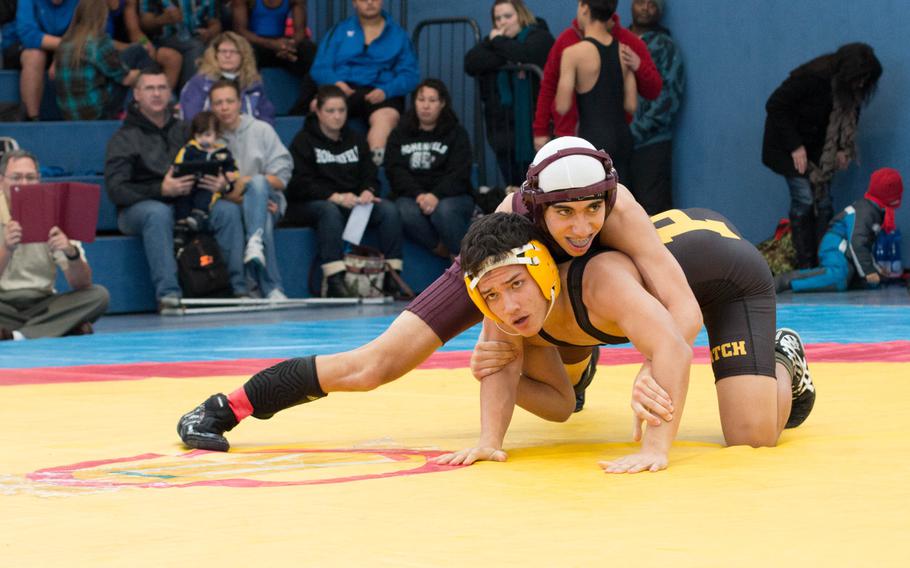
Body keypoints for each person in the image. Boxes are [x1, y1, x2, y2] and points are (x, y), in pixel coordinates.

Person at [176, 135, 702, 452]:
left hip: (568, 291)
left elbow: (683, 308)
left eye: (593, 210)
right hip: (498, 265)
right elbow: (499, 348)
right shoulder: (512, 222)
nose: (584, 226)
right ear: (537, 204)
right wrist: (488, 443)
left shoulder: (621, 211)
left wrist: (654, 370)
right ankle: (231, 404)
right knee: (375, 364)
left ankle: (573, 362)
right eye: (565, 212)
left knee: (585, 310)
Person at [438, 209, 815, 472]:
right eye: (491, 296)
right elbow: (560, 405)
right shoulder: (503, 309)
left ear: (542, 269)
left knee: (753, 437)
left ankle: (782, 355)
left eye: (516, 285)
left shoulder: (600, 282)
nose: (508, 305)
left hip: (724, 274)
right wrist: (490, 437)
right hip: (661, 291)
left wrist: (654, 447)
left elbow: (673, 348)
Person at [104, 65, 247, 309]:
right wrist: (161, 190)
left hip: (189, 203)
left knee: (227, 211)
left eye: (162, 88)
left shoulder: (186, 129)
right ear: (137, 94)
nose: (157, 94)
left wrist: (221, 184)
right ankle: (168, 295)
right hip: (138, 209)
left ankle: (239, 290)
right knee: (158, 213)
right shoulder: (123, 138)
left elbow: (214, 160)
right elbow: (117, 190)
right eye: (150, 88)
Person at [762, 42, 882, 269]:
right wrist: (795, 145)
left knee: (824, 203)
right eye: (859, 78)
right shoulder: (812, 78)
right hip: (788, 148)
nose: (862, 84)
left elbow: (849, 116)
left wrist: (842, 150)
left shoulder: (848, 92)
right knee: (804, 200)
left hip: (818, 151)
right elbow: (776, 105)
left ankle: (823, 260)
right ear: (847, 72)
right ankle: (805, 263)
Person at [284, 85, 403, 298]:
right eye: (330, 111)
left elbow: (370, 172)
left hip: (353, 202)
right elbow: (299, 184)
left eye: (341, 111)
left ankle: (391, 276)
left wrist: (368, 190)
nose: (337, 116)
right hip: (312, 203)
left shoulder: (356, 138)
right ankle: (334, 279)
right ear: (318, 112)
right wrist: (334, 196)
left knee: (388, 210)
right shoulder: (303, 141)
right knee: (328, 211)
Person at [0, 149, 110, 339]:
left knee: (98, 295)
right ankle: (60, 327)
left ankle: (18, 335)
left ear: (39, 180)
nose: (24, 184)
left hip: (43, 302)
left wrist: (70, 252)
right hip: (3, 305)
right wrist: (6, 249)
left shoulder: (54, 212)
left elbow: (81, 284)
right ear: (1, 181)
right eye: (16, 178)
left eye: (30, 178)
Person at [532, 2, 662, 152]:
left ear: (585, 8)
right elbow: (548, 86)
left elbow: (654, 90)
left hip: (588, 137)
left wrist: (639, 66)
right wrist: (540, 130)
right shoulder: (622, 47)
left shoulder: (627, 41)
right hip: (610, 137)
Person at [309, 0, 418, 166]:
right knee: (316, 105)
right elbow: (319, 68)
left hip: (381, 93)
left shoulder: (398, 35)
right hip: (343, 90)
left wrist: (387, 91)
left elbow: (410, 75)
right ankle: (325, 164)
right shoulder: (339, 31)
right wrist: (336, 83)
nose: (369, 2)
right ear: (354, 3)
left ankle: (371, 167)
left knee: (386, 118)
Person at [210, 79, 291, 300]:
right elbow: (212, 185)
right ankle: (271, 288)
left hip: (268, 197)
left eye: (229, 101)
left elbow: (282, 177)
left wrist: (252, 186)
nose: (224, 107)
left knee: (257, 183)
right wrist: (250, 200)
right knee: (258, 214)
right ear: (211, 106)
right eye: (218, 103)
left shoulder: (261, 130)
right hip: (232, 201)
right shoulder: (209, 138)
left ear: (239, 103)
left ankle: (246, 286)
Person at [464, 0, 554, 188]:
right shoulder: (493, 43)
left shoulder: (539, 35)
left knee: (541, 188)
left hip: (533, 130)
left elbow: (528, 54)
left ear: (521, 15)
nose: (502, 22)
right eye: (497, 18)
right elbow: (471, 62)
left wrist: (498, 42)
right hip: (501, 130)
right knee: (513, 188)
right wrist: (506, 50)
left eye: (508, 16)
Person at [386, 78, 475, 259]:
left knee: (444, 211)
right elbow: (395, 170)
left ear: (442, 103)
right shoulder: (400, 133)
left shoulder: (456, 133)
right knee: (403, 210)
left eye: (432, 100)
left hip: (452, 196)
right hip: (412, 197)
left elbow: (460, 172)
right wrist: (419, 194)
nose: (425, 106)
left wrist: (436, 195)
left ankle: (468, 260)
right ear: (414, 102)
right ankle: (443, 251)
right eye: (421, 100)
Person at [776, 167, 903, 293]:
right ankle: (787, 280)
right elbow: (857, 243)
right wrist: (868, 271)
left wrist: (876, 269)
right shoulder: (866, 211)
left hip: (847, 252)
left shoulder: (874, 211)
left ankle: (851, 278)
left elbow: (865, 246)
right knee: (839, 277)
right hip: (835, 247)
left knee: (870, 282)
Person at [556, 0, 637, 179]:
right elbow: (631, 105)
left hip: (593, 140)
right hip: (623, 137)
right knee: (622, 197)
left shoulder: (573, 54)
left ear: (585, 8)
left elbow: (562, 105)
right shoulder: (624, 51)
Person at [627, 0, 684, 215]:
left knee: (655, 212)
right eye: (641, 2)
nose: (645, 8)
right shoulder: (617, 41)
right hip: (617, 143)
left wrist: (634, 132)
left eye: (652, 4)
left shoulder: (665, 47)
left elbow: (669, 99)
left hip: (652, 144)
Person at [55, 0, 152, 121]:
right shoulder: (99, 42)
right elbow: (126, 79)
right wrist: (144, 74)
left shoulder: (65, 43)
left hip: (70, 114)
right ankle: (152, 108)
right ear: (102, 16)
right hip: (98, 114)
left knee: (133, 52)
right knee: (139, 52)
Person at [231, 0, 317, 112]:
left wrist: (289, 45)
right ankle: (245, 108)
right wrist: (271, 44)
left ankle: (303, 108)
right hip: (256, 44)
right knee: (245, 51)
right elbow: (240, 31)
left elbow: (300, 32)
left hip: (281, 48)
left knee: (310, 51)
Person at [171, 110, 239, 249]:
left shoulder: (222, 153)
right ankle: (181, 232)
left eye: (208, 135)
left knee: (206, 194)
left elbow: (232, 169)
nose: (203, 140)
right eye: (198, 135)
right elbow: (178, 165)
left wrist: (230, 177)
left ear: (217, 134)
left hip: (210, 186)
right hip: (189, 186)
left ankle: (198, 216)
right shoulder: (189, 149)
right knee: (182, 202)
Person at [179, 31, 276, 125]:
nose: (228, 56)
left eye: (233, 52)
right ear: (215, 55)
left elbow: (267, 117)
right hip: (212, 136)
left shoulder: (253, 84)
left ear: (243, 56)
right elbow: (191, 117)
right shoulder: (199, 83)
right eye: (223, 51)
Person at [7, 0, 79, 121]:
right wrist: (67, 46)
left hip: (63, 47)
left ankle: (81, 121)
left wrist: (60, 56)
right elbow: (29, 36)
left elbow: (88, 35)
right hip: (20, 45)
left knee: (80, 55)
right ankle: (31, 120)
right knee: (35, 55)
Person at [138, 0, 221, 89]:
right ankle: (189, 95)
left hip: (197, 37)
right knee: (195, 47)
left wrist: (209, 32)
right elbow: (142, 26)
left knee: (219, 46)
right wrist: (161, 20)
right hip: (163, 39)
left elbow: (215, 23)